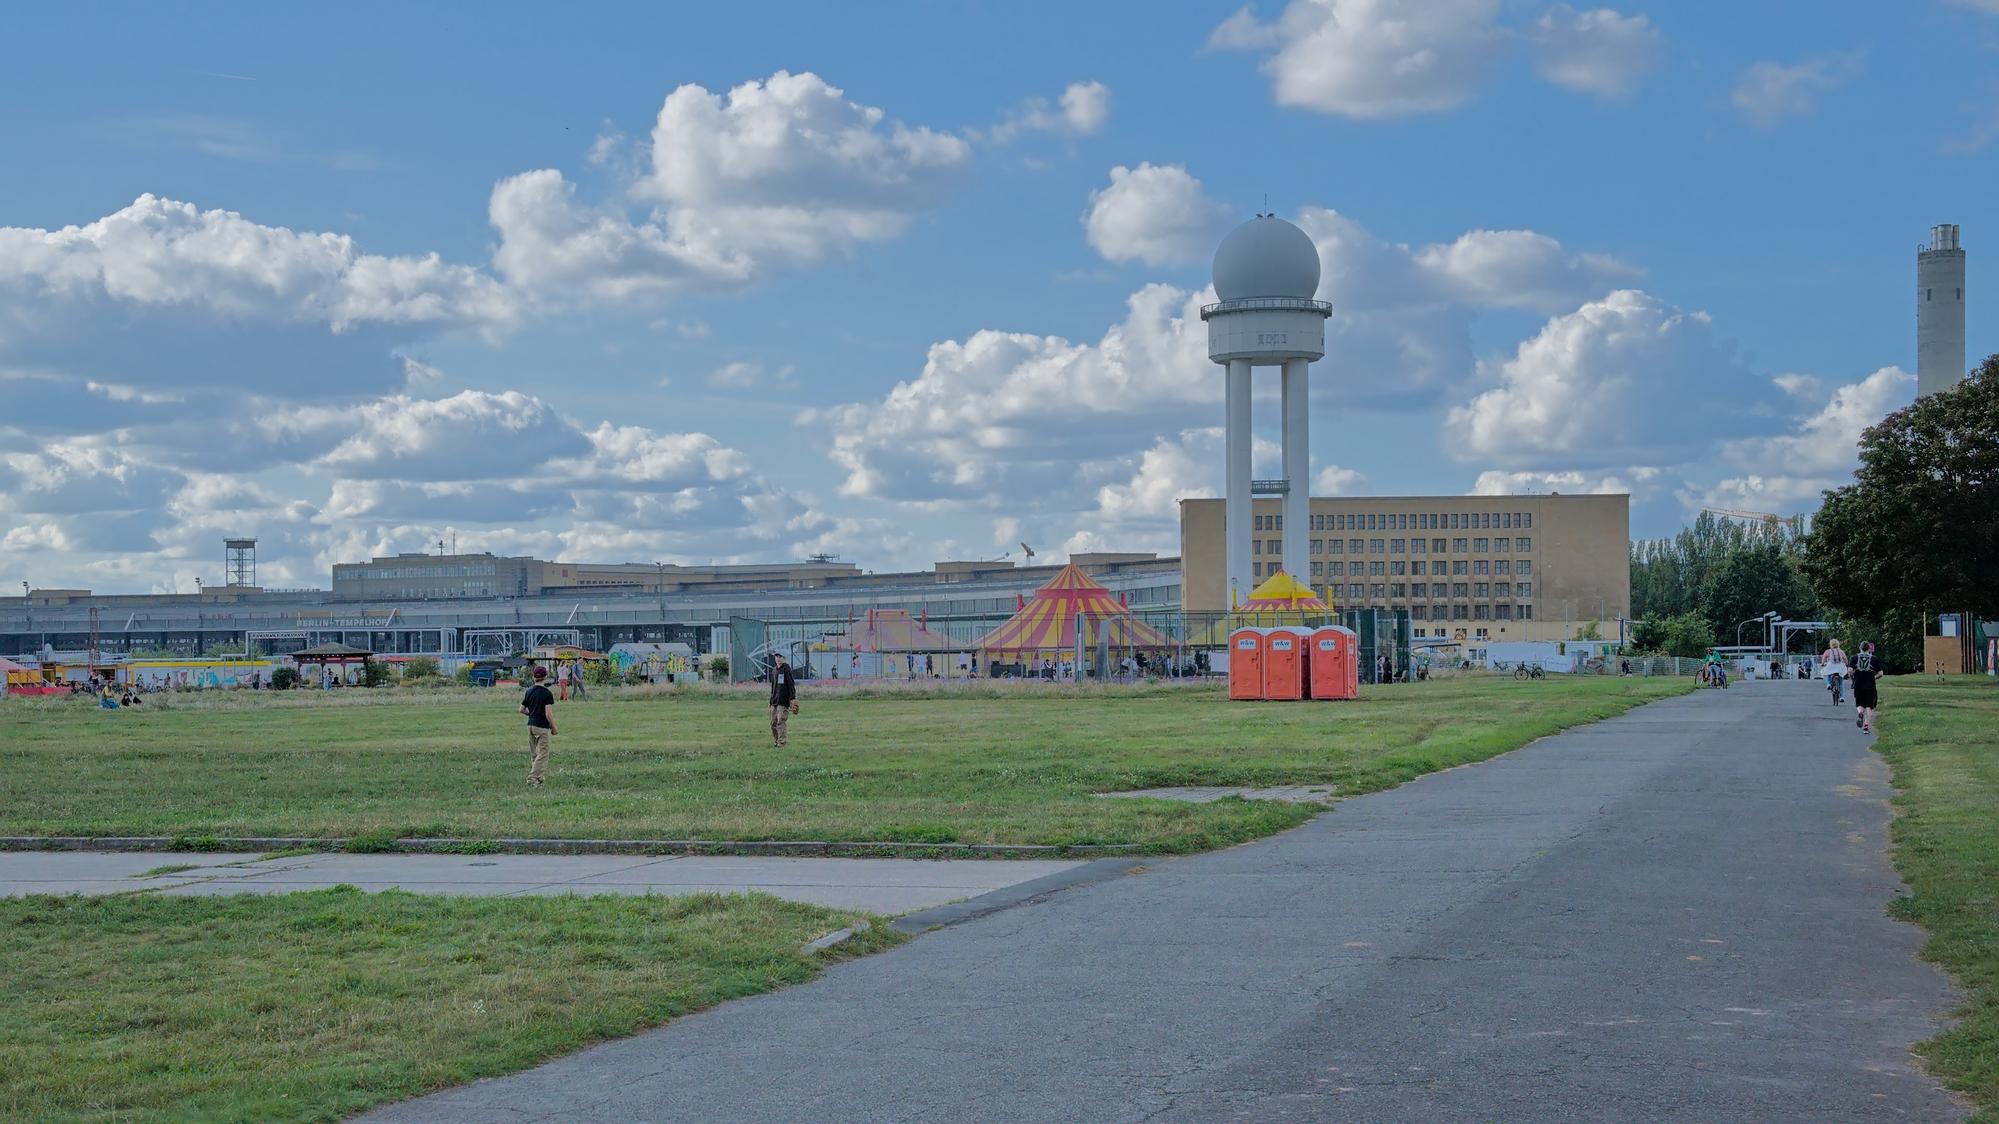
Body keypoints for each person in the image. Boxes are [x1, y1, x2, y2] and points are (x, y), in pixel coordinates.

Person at [520, 664, 557, 787]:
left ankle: (539, 777)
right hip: (541, 727)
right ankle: (533, 778)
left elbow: (521, 709)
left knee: (534, 754)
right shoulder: (546, 693)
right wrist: (554, 727)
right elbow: (548, 713)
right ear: (545, 677)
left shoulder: (529, 691)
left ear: (533, 677)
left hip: (530, 725)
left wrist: (533, 714)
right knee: (543, 753)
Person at [768, 651, 797, 747]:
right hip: (775, 700)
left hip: (783, 701)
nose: (778, 658)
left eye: (780, 657)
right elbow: (773, 687)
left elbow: (791, 684)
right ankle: (777, 740)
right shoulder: (774, 670)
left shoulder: (786, 669)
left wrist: (792, 698)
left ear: (784, 658)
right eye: (776, 656)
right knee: (773, 723)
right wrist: (770, 701)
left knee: (781, 721)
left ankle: (782, 742)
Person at [1851, 641, 1881, 733]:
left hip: (1858, 684)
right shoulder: (1874, 659)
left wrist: (1853, 677)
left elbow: (1849, 670)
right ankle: (1866, 726)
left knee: (1859, 703)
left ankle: (1860, 713)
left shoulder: (1854, 658)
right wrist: (1873, 677)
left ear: (1860, 648)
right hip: (1870, 685)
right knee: (1869, 706)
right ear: (1869, 649)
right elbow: (1880, 673)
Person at [1820, 639, 1849, 705]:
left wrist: (1822, 663)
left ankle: (1829, 684)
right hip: (1840, 667)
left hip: (1831, 666)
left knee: (1826, 673)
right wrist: (1847, 664)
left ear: (1831, 644)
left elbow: (1824, 658)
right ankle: (1842, 697)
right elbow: (1845, 659)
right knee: (1841, 683)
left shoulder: (1828, 651)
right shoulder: (1841, 651)